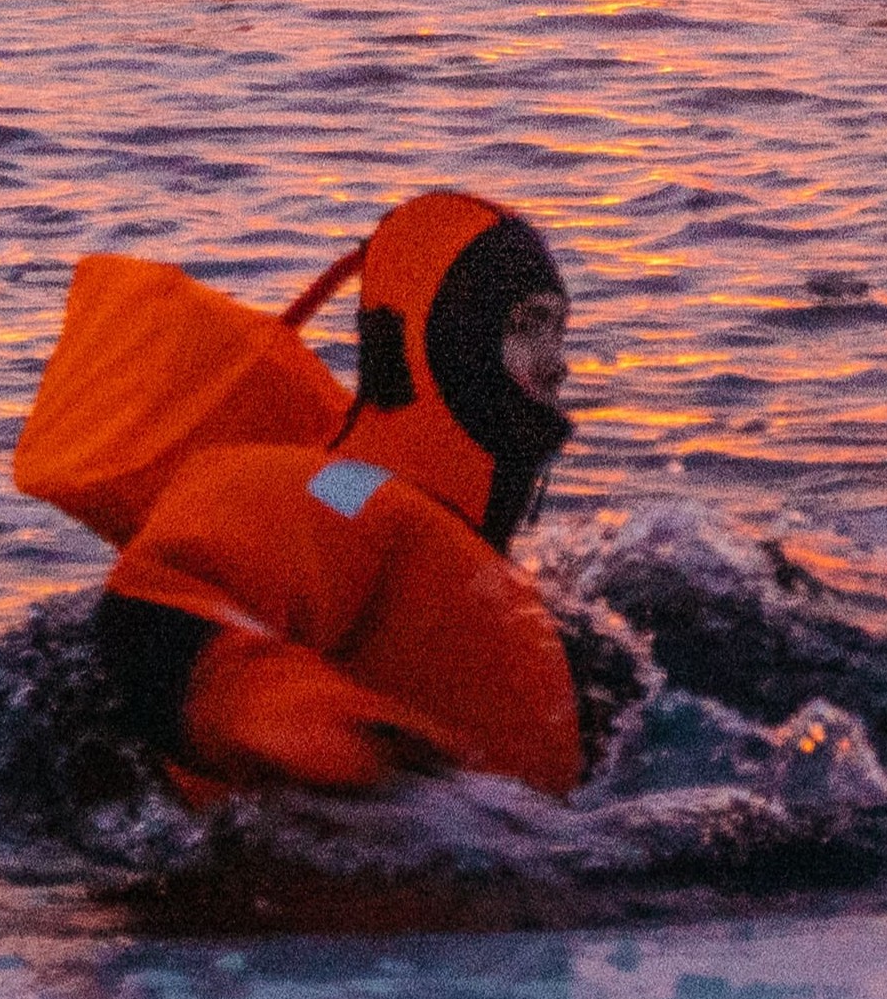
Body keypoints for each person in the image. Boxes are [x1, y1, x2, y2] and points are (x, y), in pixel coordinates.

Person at [88, 191, 591, 799]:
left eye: (558, 330)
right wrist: (260, 701)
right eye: (526, 326)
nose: (559, 365)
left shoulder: (470, 551)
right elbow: (153, 607)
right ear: (450, 341)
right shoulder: (344, 490)